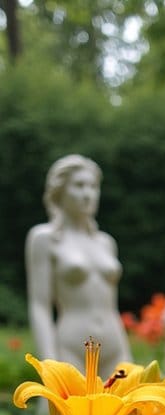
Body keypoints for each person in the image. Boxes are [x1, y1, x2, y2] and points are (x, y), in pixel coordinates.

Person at [26, 154, 132, 378]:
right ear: (60, 191)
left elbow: (111, 304)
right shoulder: (44, 238)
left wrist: (127, 351)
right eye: (79, 185)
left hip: (114, 343)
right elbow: (40, 306)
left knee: (127, 410)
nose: (88, 194)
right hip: (72, 345)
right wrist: (48, 366)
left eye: (93, 187)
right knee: (68, 411)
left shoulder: (105, 242)